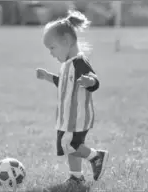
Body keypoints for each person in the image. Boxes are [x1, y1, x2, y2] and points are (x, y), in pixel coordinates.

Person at [36, 10, 109, 185]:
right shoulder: (67, 65)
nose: (51, 53)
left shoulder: (79, 62)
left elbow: (95, 80)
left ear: (66, 42)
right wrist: (48, 77)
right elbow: (64, 84)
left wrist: (90, 81)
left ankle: (96, 156)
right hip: (67, 117)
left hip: (76, 117)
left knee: (69, 144)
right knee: (69, 147)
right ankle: (76, 177)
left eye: (52, 48)